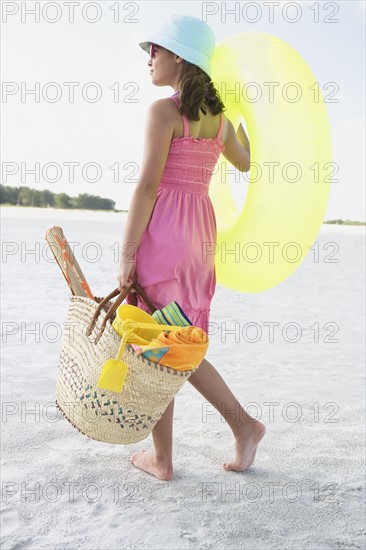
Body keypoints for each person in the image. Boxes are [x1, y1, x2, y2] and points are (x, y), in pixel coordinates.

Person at [117, 15, 265, 481]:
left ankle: (171, 456)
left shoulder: (164, 110)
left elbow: (146, 186)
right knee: (175, 341)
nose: (149, 59)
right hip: (200, 235)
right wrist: (240, 115)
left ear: (178, 56)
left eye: (155, 50)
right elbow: (244, 163)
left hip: (165, 235)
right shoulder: (218, 120)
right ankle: (240, 428)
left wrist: (126, 256)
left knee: (160, 343)